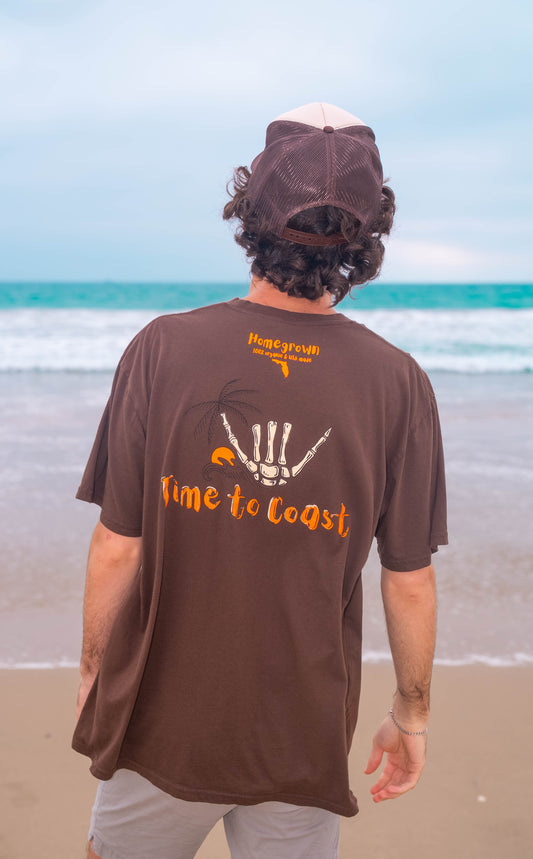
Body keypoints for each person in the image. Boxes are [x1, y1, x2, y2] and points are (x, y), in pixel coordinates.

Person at [73, 102, 447, 859]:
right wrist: (410, 716)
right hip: (300, 736)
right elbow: (407, 579)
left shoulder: (162, 348)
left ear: (249, 213)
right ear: (368, 236)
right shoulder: (397, 383)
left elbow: (118, 544)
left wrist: (94, 675)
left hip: (158, 724)